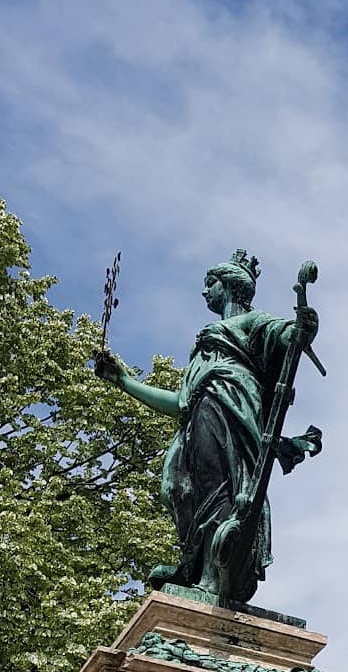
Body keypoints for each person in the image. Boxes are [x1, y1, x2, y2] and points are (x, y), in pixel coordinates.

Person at [95, 250, 318, 605]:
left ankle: (214, 576)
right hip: (200, 411)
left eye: (210, 284)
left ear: (229, 287)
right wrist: (123, 381)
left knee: (218, 487)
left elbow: (288, 335)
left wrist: (304, 326)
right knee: (177, 487)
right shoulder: (203, 349)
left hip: (229, 406)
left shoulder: (250, 322)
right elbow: (180, 402)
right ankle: (194, 564)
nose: (205, 292)